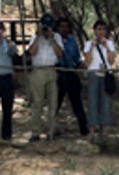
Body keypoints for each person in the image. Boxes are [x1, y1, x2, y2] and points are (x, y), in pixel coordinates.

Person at [27, 13, 63, 141]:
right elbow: (31, 52)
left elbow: (59, 53)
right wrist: (38, 36)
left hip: (52, 70)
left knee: (53, 102)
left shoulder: (57, 37)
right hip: (38, 71)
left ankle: (51, 131)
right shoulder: (35, 37)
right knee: (37, 102)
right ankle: (35, 131)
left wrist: (52, 38)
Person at [83, 20, 118, 138]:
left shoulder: (110, 43)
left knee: (106, 102)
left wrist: (107, 47)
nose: (101, 31)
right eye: (99, 29)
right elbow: (87, 62)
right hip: (93, 73)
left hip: (106, 73)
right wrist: (93, 46)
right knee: (93, 101)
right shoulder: (88, 44)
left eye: (103, 29)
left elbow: (112, 61)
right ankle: (92, 129)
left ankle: (105, 131)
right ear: (94, 30)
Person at [54, 17, 88, 137]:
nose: (64, 29)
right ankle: (50, 130)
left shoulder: (72, 40)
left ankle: (84, 130)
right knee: (55, 104)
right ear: (57, 28)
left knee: (77, 103)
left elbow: (76, 56)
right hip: (58, 73)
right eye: (61, 26)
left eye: (66, 26)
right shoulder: (54, 39)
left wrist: (80, 65)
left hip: (71, 73)